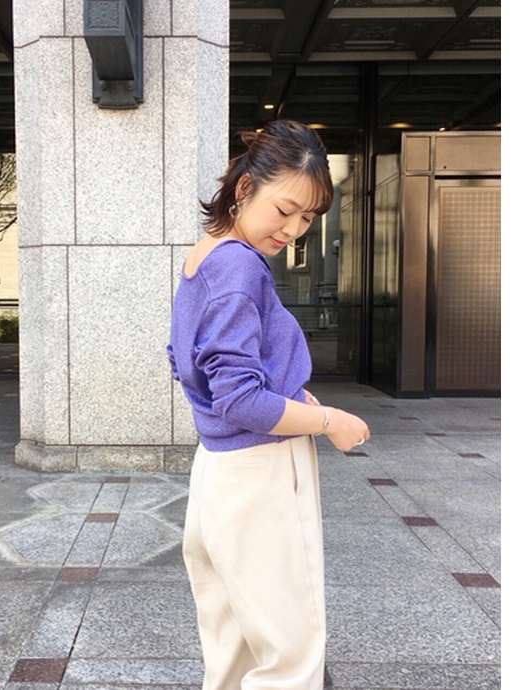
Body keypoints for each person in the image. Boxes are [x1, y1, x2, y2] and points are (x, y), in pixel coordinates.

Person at [167, 119, 370, 690]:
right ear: (244, 188)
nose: (294, 229)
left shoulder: (205, 256)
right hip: (262, 470)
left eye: (308, 218)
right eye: (285, 209)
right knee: (290, 653)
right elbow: (240, 399)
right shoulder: (239, 267)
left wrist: (285, 391)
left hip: (218, 471)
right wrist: (330, 420)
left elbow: (186, 361)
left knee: (231, 643)